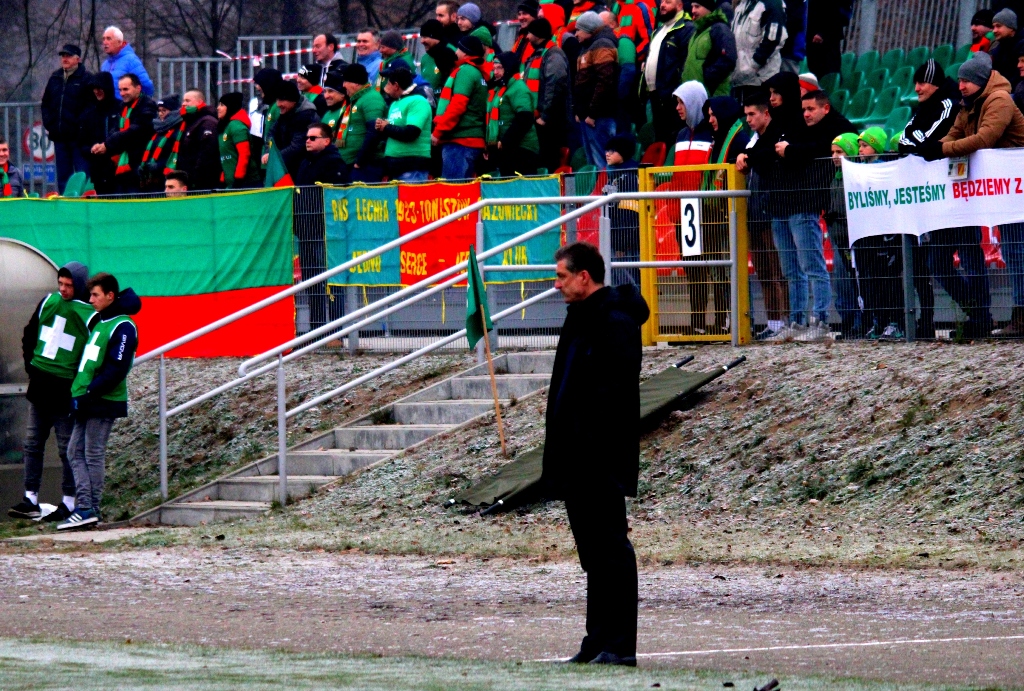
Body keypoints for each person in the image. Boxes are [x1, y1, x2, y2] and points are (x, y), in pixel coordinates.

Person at [542, 241, 648, 668]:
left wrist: (589, 446)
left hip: (599, 459)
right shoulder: (580, 316)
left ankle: (620, 645)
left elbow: (612, 396)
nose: (557, 285)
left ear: (583, 277)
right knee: (593, 555)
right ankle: (597, 640)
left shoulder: (615, 320)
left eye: (562, 276)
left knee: (610, 551)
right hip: (576, 458)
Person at [922, 52, 1024, 337]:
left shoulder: (999, 100)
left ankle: (1020, 315)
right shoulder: (969, 104)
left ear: (980, 81)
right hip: (1000, 189)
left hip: (1015, 185)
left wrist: (941, 149)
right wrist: (933, 148)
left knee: (1017, 250)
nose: (961, 86)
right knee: (1012, 250)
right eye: (960, 80)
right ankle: (1003, 315)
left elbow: (985, 138)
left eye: (966, 81)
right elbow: (954, 134)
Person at [7, 262, 94, 524]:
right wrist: (32, 368)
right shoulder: (48, 302)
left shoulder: (89, 314)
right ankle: (30, 499)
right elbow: (29, 334)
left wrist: (80, 385)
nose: (63, 289)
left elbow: (93, 352)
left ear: (80, 285)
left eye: (69, 285)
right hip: (40, 387)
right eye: (60, 284)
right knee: (32, 443)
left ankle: (68, 502)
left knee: (67, 449)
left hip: (65, 390)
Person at [58, 273, 141, 530]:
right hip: (86, 398)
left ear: (110, 296)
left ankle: (88, 508)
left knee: (92, 453)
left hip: (102, 400)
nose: (91, 299)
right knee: (74, 451)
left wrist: (91, 391)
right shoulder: (99, 320)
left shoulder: (123, 326)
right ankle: (87, 508)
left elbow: (118, 368)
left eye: (95, 295)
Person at [735, 93, 789, 340]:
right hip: (754, 215)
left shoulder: (775, 137)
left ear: (765, 113)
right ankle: (773, 323)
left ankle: (786, 321)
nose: (748, 119)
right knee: (764, 272)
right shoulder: (752, 143)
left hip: (771, 214)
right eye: (746, 115)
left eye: (752, 114)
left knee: (779, 271)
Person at [433, 36, 488, 179]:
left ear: (466, 52)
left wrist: (438, 132)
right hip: (469, 141)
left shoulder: (465, 71)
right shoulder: (477, 72)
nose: (456, 52)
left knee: (453, 190)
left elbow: (457, 105)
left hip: (460, 142)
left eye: (459, 49)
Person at [825, 133, 863, 338]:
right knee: (842, 282)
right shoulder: (836, 177)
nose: (834, 156)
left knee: (855, 282)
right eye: (832, 152)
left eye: (839, 152)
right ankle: (847, 321)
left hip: (853, 238)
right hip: (838, 239)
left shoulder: (856, 177)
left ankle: (860, 322)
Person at [524, 19, 572, 172]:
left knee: (549, 159)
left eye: (530, 33)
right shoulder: (538, 54)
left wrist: (545, 117)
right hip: (539, 119)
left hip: (550, 122)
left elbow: (555, 86)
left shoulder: (553, 54)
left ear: (538, 35)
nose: (527, 37)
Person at [42, 44, 91, 193]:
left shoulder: (86, 78)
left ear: (78, 59)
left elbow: (90, 107)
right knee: (63, 177)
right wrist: (49, 124)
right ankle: (66, 203)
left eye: (68, 56)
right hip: (60, 137)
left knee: (83, 174)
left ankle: (84, 202)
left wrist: (80, 127)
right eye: (63, 56)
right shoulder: (55, 77)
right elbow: (46, 103)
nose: (65, 59)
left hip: (79, 139)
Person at [573, 11, 620, 169]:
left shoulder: (601, 45)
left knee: (602, 163)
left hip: (599, 117)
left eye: (578, 29)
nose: (576, 34)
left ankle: (607, 186)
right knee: (593, 164)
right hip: (590, 117)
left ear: (589, 29)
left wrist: (592, 114)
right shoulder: (589, 46)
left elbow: (605, 81)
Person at [96, 73, 157, 193]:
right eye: (120, 90)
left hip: (139, 162)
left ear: (138, 88)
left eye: (126, 89)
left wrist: (108, 144)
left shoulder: (147, 106)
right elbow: (116, 129)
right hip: (125, 161)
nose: (122, 93)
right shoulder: (123, 107)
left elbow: (135, 131)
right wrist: (105, 144)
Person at [643, 0, 693, 144]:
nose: (663, 5)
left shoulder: (686, 28)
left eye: (668, 2)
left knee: (672, 139)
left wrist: (676, 91)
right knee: (660, 140)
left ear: (679, 6)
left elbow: (685, 64)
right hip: (655, 95)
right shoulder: (658, 31)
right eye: (662, 2)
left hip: (672, 96)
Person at [483, 52, 540, 176]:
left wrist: (505, 141)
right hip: (508, 149)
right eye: (494, 68)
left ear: (509, 67)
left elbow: (524, 118)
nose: (495, 72)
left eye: (499, 68)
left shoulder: (518, 88)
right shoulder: (500, 88)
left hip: (522, 150)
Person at [375, 66, 434, 181]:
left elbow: (411, 133)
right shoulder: (395, 103)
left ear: (396, 86)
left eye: (389, 83)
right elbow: (393, 132)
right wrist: (382, 127)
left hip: (412, 166)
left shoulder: (418, 101)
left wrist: (386, 127)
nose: (386, 86)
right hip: (394, 167)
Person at [337, 63, 388, 182]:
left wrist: (359, 161)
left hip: (365, 166)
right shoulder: (357, 99)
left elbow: (374, 131)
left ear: (356, 83)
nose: (343, 85)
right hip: (351, 164)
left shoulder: (371, 98)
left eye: (346, 81)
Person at [897, 60, 959, 155]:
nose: (916, 89)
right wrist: (917, 136)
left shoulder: (949, 106)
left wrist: (914, 134)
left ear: (936, 85)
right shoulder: (923, 106)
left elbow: (929, 144)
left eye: (921, 83)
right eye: (915, 83)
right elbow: (902, 141)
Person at [730, 0, 786, 103]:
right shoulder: (742, 4)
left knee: (758, 110)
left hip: (761, 79)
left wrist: (755, 64)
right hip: (740, 77)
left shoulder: (772, 4)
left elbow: (773, 39)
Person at [681, 0, 736, 97]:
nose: (693, 10)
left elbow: (728, 59)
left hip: (712, 95)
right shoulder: (697, 32)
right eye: (692, 7)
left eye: (697, 6)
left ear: (708, 8)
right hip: (695, 95)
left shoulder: (719, 29)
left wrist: (707, 77)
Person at [77, 72, 120, 195]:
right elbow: (82, 143)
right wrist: (92, 150)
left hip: (119, 167)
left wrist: (109, 148)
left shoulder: (121, 109)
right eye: (94, 88)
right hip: (98, 170)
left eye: (100, 88)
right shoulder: (88, 115)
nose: (97, 91)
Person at [267, 79, 320, 179]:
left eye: (282, 100)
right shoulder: (287, 112)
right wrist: (269, 151)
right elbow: (272, 133)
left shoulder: (305, 116)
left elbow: (297, 147)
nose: (278, 104)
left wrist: (275, 157)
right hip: (288, 166)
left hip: (303, 169)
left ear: (293, 101)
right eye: (277, 100)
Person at [601, 10, 640, 133]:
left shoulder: (623, 41)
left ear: (612, 24)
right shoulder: (608, 42)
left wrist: (617, 97)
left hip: (621, 105)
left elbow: (628, 71)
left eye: (601, 25)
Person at [175, 90, 221, 191]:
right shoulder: (189, 122)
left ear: (199, 102)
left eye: (188, 101)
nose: (183, 104)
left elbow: (207, 153)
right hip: (190, 179)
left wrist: (195, 177)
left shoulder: (207, 122)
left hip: (202, 181)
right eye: (183, 100)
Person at [138, 95, 181, 192]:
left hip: (167, 178)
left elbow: (176, 155)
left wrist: (159, 165)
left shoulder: (178, 131)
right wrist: (144, 166)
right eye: (159, 110)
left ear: (173, 112)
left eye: (164, 111)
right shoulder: (157, 130)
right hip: (152, 179)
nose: (160, 114)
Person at [217, 92, 257, 189]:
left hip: (246, 184)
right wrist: (223, 179)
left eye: (222, 105)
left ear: (230, 107)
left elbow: (244, 154)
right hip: (231, 184)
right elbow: (226, 159)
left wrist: (238, 179)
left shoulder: (237, 127)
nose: (218, 108)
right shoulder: (225, 127)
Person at [100, 26, 154, 96]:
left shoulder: (131, 60)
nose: (105, 42)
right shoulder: (105, 65)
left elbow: (147, 87)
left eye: (109, 39)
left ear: (119, 42)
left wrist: (137, 102)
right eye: (103, 39)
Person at [804, 0, 851, 80]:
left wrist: (823, 33)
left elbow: (839, 13)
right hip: (813, 34)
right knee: (815, 69)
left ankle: (833, 86)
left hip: (827, 36)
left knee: (829, 69)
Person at [254, 68, 284, 174]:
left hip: (274, 163)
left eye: (260, 83)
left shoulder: (277, 107)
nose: (257, 87)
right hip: (267, 161)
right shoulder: (270, 106)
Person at [419, 19, 458, 93]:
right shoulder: (425, 58)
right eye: (421, 37)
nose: (421, 41)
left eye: (425, 37)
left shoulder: (451, 52)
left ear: (435, 37)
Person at [990, 9, 1020, 87]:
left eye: (998, 26)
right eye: (993, 27)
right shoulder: (996, 50)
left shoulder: (1021, 48)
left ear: (1011, 28)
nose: (994, 31)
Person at [321, 71, 347, 136]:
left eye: (330, 91)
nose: (326, 96)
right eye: (324, 91)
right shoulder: (327, 113)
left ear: (342, 94)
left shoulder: (347, 112)